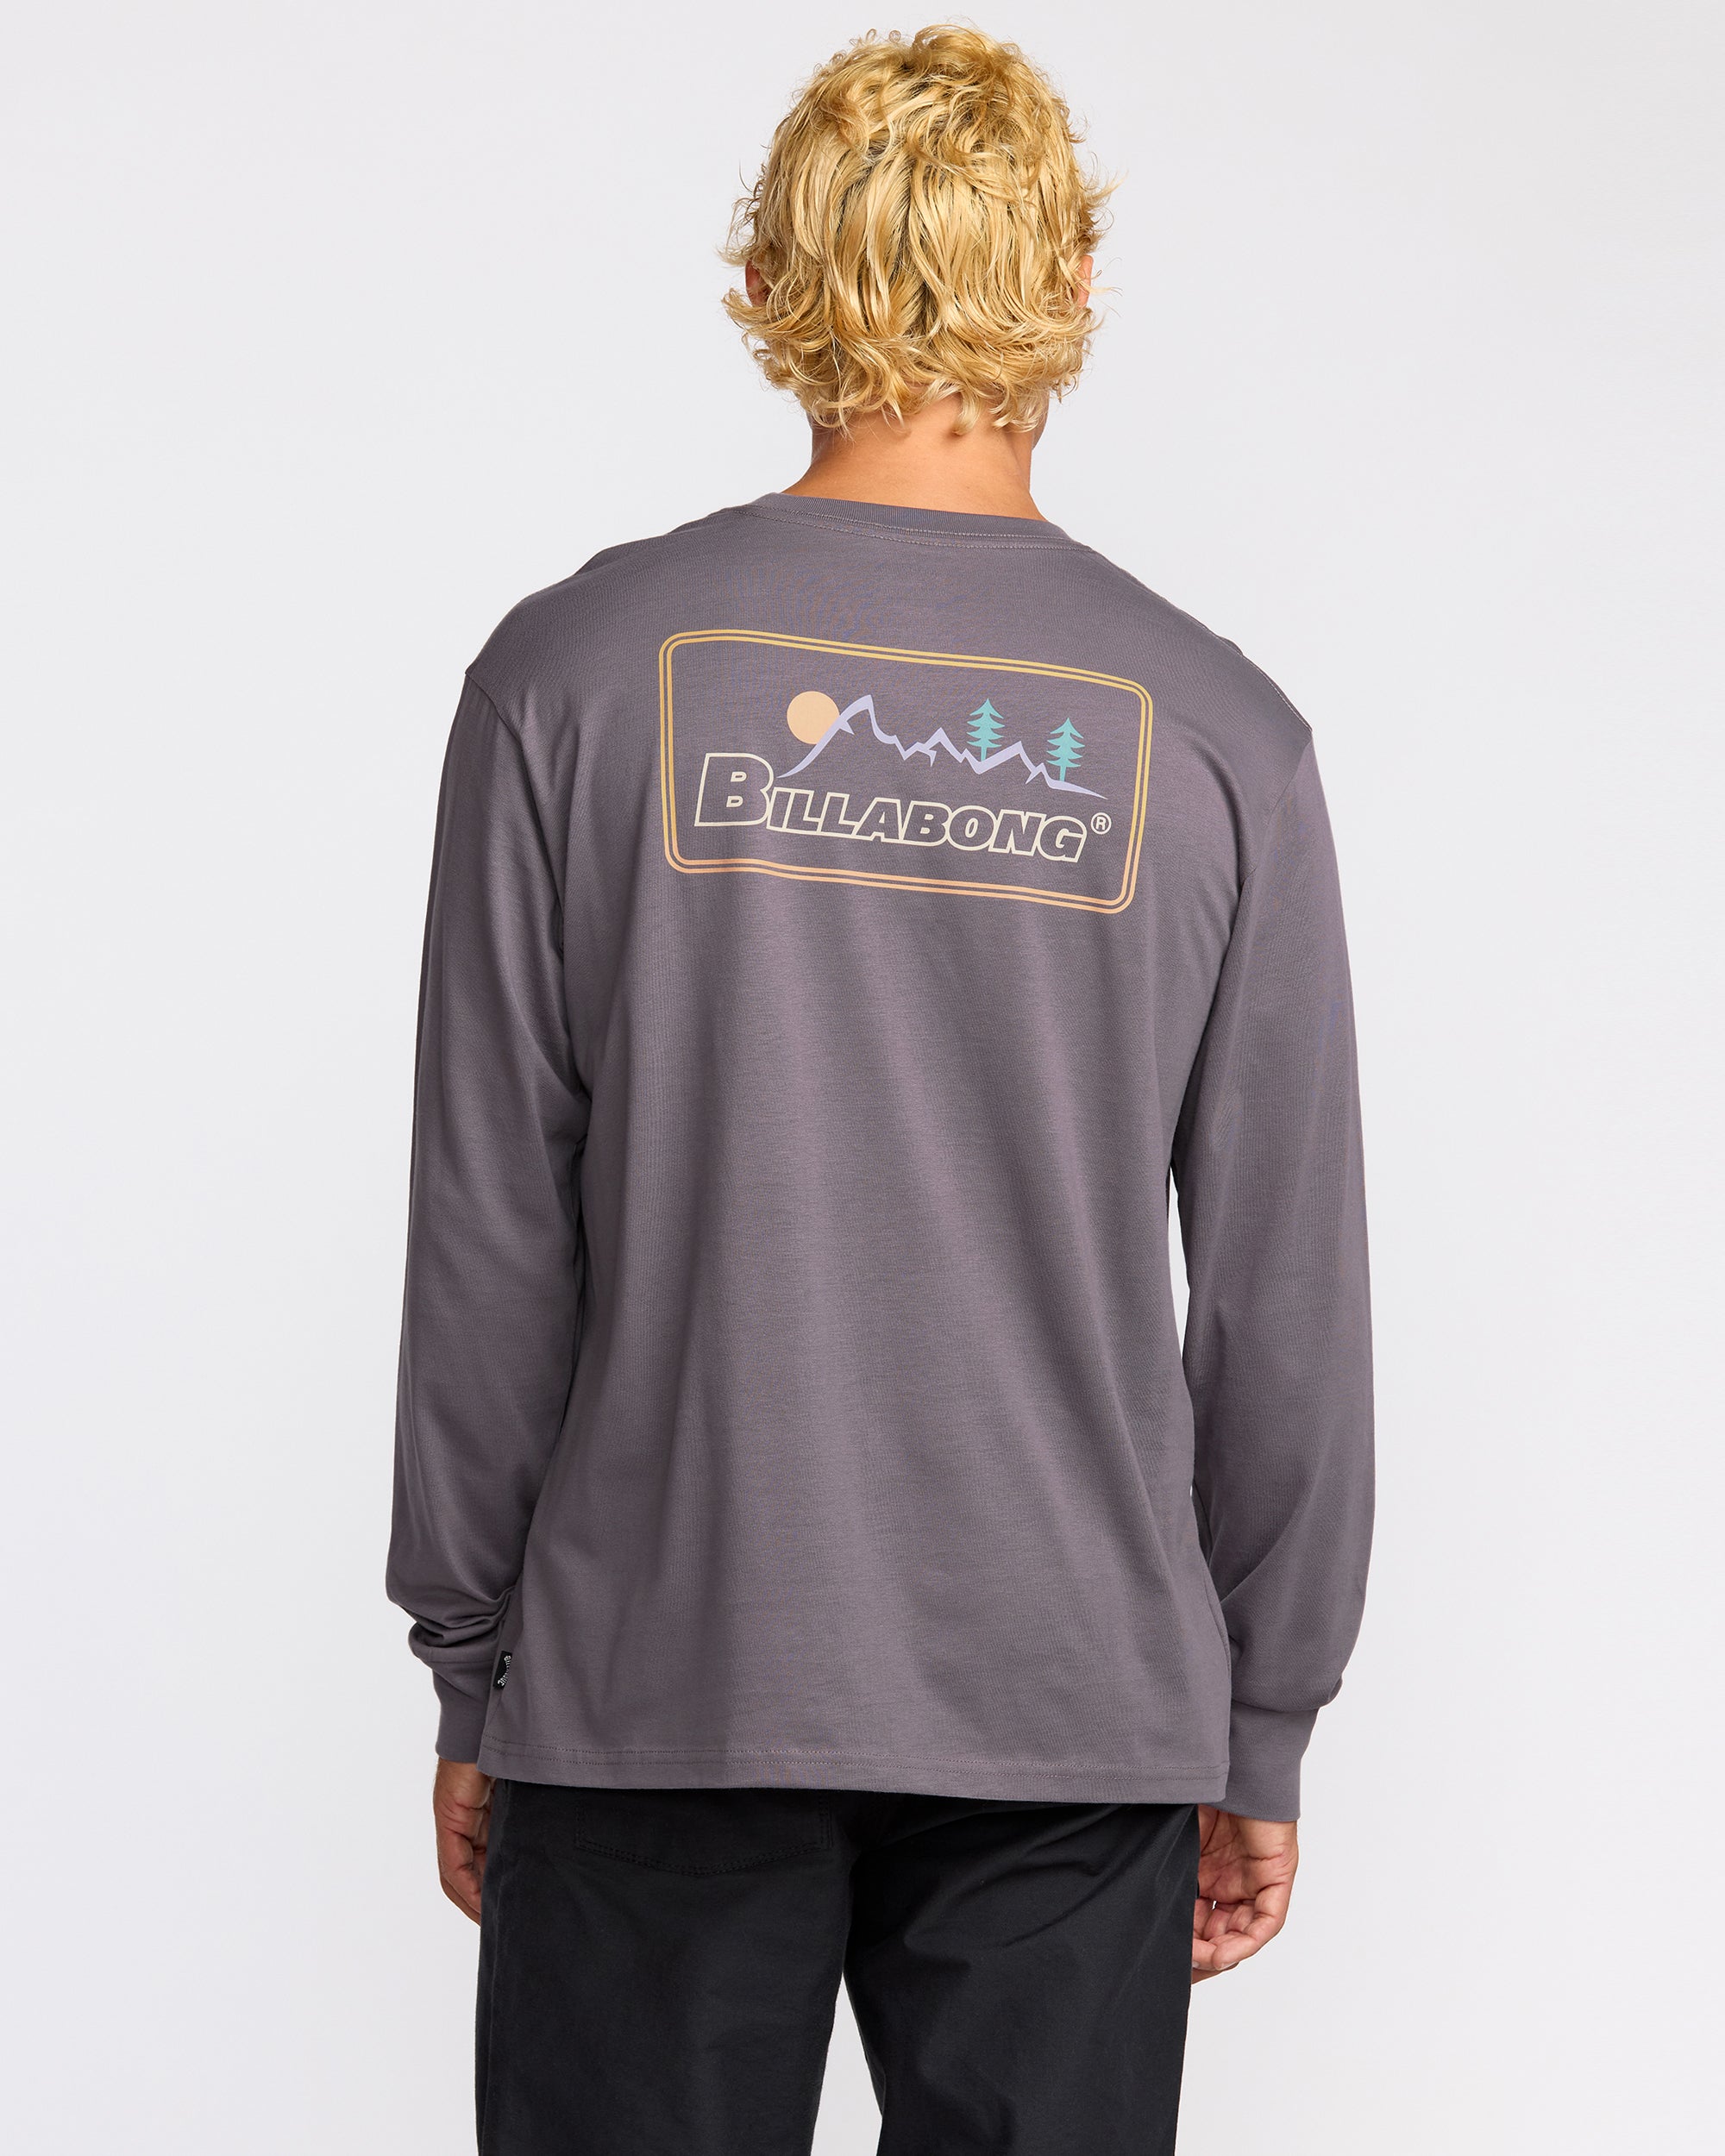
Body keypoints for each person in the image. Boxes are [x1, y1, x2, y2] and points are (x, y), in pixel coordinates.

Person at [386, 22, 1373, 2153]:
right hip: (1073, 1709)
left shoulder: (569, 679)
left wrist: (476, 1661)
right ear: (1072, 288)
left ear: (766, 281)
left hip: (656, 1677)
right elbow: (1282, 1287)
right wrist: (1260, 1709)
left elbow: (487, 1228)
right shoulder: (1220, 737)